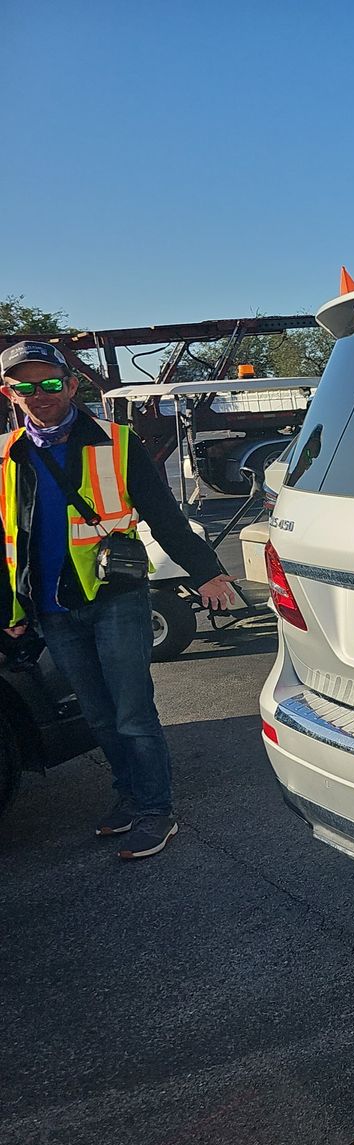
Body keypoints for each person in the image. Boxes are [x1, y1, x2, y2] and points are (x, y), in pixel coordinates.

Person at [0, 341, 235, 859]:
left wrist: (208, 574)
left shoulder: (115, 442)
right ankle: (129, 796)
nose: (40, 396)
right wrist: (10, 610)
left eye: (50, 383)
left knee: (131, 711)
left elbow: (165, 516)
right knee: (97, 714)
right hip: (52, 610)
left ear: (72, 384)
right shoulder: (6, 454)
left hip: (115, 599)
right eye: (25, 387)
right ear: (8, 394)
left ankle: (156, 809)